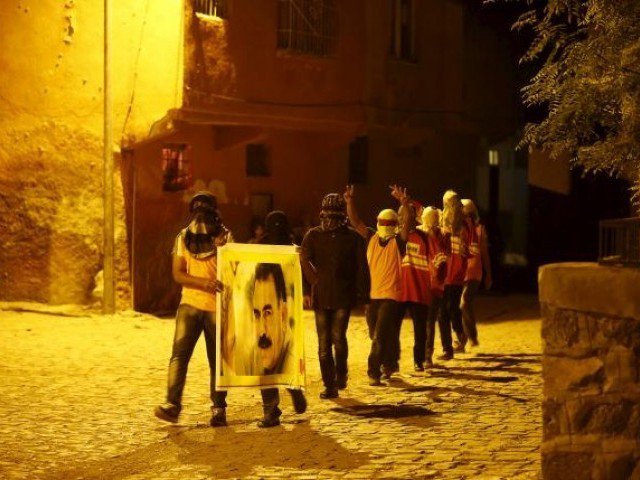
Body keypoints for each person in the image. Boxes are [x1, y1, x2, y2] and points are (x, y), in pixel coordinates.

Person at [154, 191, 232, 427]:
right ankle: (172, 405)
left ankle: (219, 408)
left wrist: (222, 250)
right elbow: (178, 273)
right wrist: (203, 283)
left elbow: (233, 269)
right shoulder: (183, 237)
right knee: (179, 355)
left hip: (215, 308)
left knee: (215, 360)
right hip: (189, 304)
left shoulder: (226, 237)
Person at [301, 193, 370, 399]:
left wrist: (364, 296)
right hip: (321, 297)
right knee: (323, 344)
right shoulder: (312, 236)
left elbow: (361, 269)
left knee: (338, 338)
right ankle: (329, 385)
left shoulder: (353, 238)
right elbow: (304, 260)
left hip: (343, 295)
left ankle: (341, 374)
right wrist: (309, 286)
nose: (330, 220)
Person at [344, 186, 403, 386]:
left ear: (395, 225)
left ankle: (373, 371)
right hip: (372, 296)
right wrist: (350, 202)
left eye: (389, 222)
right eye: (382, 222)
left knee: (379, 334)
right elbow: (355, 221)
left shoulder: (399, 243)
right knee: (376, 334)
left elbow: (410, 223)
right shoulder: (371, 237)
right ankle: (389, 363)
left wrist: (404, 203)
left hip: (390, 296)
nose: (385, 225)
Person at [255, 210, 307, 427]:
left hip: (285, 310)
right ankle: (289, 393)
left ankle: (274, 408)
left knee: (275, 359)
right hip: (275, 309)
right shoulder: (288, 248)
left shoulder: (290, 250)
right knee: (271, 359)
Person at [390, 185, 432, 372]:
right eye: (399, 215)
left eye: (404, 215)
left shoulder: (424, 237)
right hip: (399, 291)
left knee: (420, 330)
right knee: (393, 329)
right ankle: (392, 361)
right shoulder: (395, 238)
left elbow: (436, 260)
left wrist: (406, 203)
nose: (402, 218)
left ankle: (419, 360)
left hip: (419, 291)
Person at [440, 190, 469, 359]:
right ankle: (447, 348)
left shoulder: (463, 226)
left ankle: (459, 333)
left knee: (451, 309)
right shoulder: (443, 222)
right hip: (444, 274)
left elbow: (465, 251)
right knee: (443, 312)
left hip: (456, 274)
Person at [460, 199, 492, 346]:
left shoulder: (480, 230)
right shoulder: (458, 229)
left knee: (464, 302)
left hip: (474, 273)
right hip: (459, 273)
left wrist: (488, 274)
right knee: (462, 305)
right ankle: (462, 337)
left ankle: (472, 336)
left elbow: (484, 254)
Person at [420, 206, 448, 367]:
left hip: (427, 283)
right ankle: (426, 355)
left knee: (426, 321)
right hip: (436, 285)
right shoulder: (442, 235)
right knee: (428, 321)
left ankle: (426, 355)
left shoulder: (424, 235)